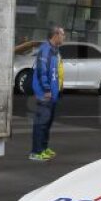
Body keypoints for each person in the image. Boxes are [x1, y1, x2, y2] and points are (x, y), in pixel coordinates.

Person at [29, 25, 64, 161]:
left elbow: (56, 72)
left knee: (47, 123)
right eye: (62, 34)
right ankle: (36, 152)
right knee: (41, 123)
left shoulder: (55, 51)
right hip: (45, 94)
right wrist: (47, 90)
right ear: (55, 35)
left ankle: (43, 148)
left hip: (53, 94)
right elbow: (41, 72)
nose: (64, 37)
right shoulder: (46, 50)